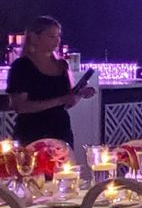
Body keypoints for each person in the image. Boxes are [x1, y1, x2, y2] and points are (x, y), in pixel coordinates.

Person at [5, 15, 95, 147]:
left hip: (60, 130)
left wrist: (79, 94)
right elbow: (20, 106)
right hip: (32, 131)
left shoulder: (62, 65)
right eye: (51, 37)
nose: (57, 41)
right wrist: (61, 100)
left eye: (58, 36)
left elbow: (67, 103)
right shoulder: (22, 66)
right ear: (35, 37)